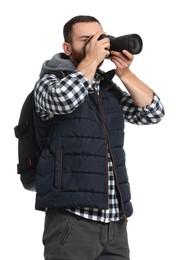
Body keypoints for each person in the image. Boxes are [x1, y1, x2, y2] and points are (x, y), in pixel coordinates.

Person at [33, 15, 165, 260]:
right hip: (72, 221)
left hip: (115, 223)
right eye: (86, 39)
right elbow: (64, 100)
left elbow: (153, 113)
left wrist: (124, 73)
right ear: (67, 47)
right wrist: (92, 61)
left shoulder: (105, 88)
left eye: (100, 37)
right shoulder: (49, 82)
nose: (96, 44)